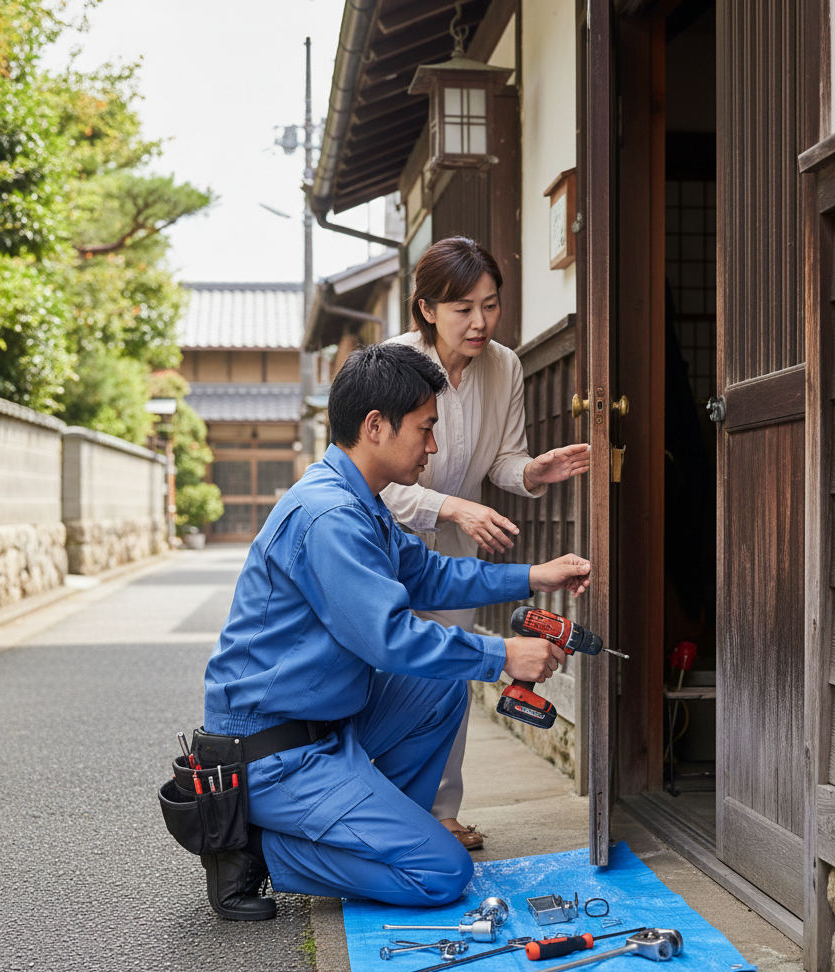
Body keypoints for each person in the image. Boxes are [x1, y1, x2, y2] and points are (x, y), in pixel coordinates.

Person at [197, 343, 590, 920]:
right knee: (441, 873)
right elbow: (390, 638)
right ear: (376, 426)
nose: (434, 446)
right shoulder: (330, 516)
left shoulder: (360, 501)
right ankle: (255, 848)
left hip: (323, 724)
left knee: (439, 687)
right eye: (426, 428)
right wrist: (503, 654)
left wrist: (533, 576)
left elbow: (429, 574)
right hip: (274, 752)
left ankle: (380, 830)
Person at [380, 236, 591, 851]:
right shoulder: (393, 364)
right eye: (463, 308)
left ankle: (441, 812)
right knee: (385, 674)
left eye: (491, 305)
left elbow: (503, 459)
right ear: (427, 309)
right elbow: (376, 477)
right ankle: (382, 811)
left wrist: (532, 472)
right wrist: (452, 506)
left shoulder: (506, 366)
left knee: (450, 677)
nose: (480, 322)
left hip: (454, 548)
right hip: (385, 541)